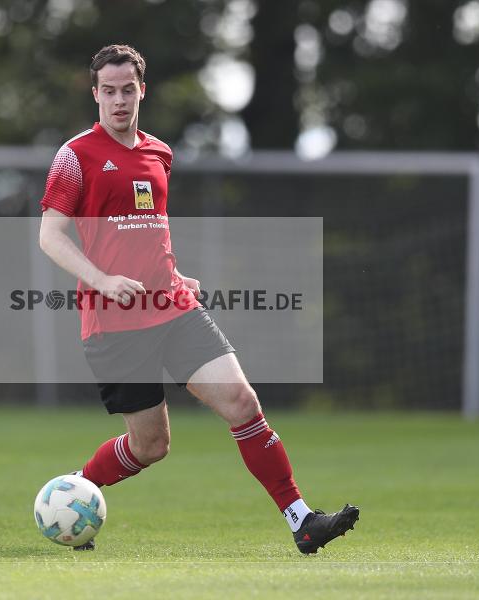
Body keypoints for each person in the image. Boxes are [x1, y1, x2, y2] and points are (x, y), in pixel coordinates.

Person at [38, 43, 358, 554]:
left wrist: (176, 275)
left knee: (243, 402)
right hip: (114, 322)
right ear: (95, 94)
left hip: (173, 308)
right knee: (151, 446)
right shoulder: (75, 157)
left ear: (142, 91)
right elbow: (50, 237)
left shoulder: (159, 152)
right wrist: (101, 279)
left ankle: (302, 520)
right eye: (109, 92)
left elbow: (149, 230)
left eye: (128, 90)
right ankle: (74, 491)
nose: (118, 101)